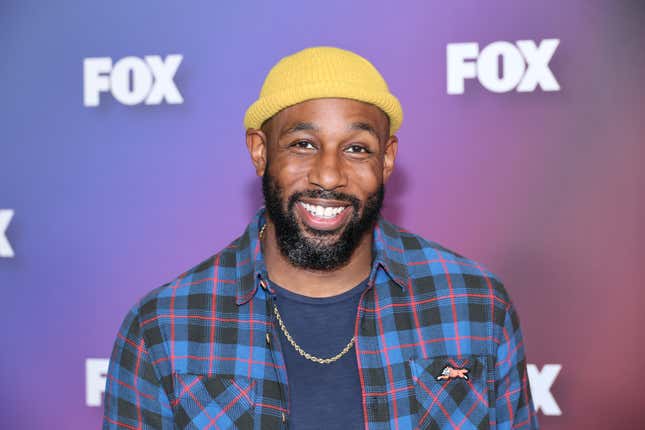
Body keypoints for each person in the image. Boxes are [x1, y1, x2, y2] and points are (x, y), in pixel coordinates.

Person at [103, 46, 538, 430]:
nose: (329, 175)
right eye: (304, 145)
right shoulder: (164, 327)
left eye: (357, 149)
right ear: (260, 151)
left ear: (386, 160)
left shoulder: (475, 304)